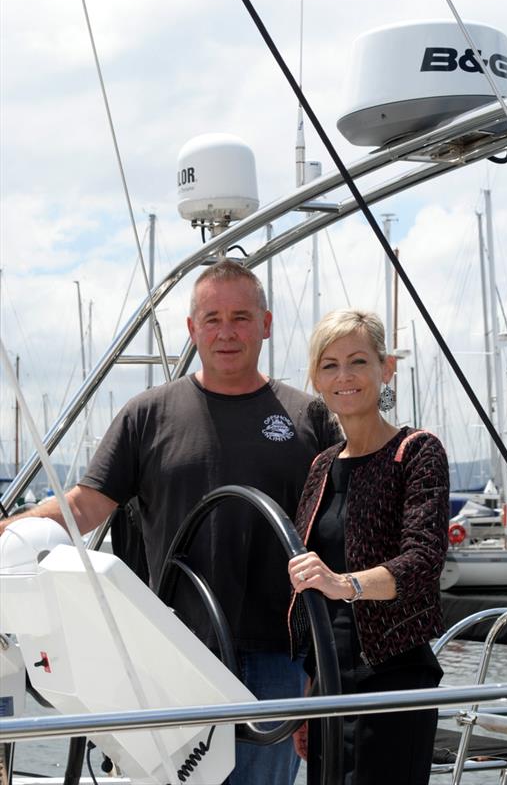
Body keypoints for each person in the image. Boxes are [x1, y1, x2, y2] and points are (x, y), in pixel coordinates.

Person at [0, 259, 341, 785]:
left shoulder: (308, 417)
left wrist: (322, 670)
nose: (226, 331)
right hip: (171, 650)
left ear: (267, 324)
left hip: (280, 656)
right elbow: (86, 506)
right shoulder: (148, 415)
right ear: (191, 329)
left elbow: (333, 534)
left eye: (241, 317)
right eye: (212, 318)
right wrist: (12, 527)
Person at [287, 308, 449, 785]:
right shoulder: (321, 465)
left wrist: (344, 585)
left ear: (386, 368)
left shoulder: (416, 452)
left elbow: (423, 560)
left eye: (358, 361)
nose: (345, 377)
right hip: (330, 679)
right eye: (330, 365)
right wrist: (311, 688)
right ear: (317, 378)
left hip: (393, 677)